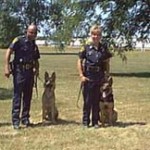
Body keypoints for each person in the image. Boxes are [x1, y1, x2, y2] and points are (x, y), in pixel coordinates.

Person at [4, 24, 40, 129]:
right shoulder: (18, 40)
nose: (32, 34)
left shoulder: (34, 45)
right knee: (17, 96)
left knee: (28, 96)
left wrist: (36, 70)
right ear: (26, 31)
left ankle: (25, 119)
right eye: (30, 32)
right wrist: (6, 67)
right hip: (19, 71)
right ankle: (15, 120)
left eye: (34, 33)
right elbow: (8, 52)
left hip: (29, 72)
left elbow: (36, 59)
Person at [77, 24, 112, 128]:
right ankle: (85, 122)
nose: (95, 36)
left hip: (99, 77)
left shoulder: (103, 48)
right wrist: (81, 75)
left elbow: (107, 62)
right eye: (93, 34)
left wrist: (106, 75)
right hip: (88, 76)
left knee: (97, 100)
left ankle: (95, 121)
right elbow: (79, 61)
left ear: (100, 36)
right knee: (87, 101)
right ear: (91, 35)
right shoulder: (86, 47)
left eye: (98, 35)